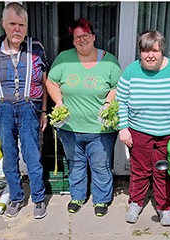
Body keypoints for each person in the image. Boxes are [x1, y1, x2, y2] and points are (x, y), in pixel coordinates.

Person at [0, 2, 49, 219]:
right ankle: (16, 197)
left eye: (22, 25)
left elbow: (45, 82)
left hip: (29, 108)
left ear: (26, 26)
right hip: (3, 108)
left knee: (32, 155)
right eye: (13, 24)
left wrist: (44, 110)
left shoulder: (36, 47)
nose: (17, 29)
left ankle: (38, 198)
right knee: (9, 156)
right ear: (4, 24)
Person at [46, 19, 122, 217]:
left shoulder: (109, 61)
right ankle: (77, 196)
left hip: (100, 129)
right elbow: (51, 82)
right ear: (72, 41)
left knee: (100, 165)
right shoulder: (64, 59)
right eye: (77, 37)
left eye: (86, 35)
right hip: (70, 128)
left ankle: (101, 199)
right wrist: (59, 103)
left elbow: (118, 87)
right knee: (76, 163)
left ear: (93, 36)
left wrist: (107, 103)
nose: (82, 40)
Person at [117, 30, 170, 227]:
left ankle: (163, 207)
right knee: (140, 170)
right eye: (145, 51)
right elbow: (121, 101)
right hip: (139, 131)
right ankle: (135, 202)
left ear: (162, 52)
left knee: (163, 172)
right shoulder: (131, 71)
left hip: (168, 134)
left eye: (155, 51)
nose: (150, 55)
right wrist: (123, 128)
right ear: (140, 52)